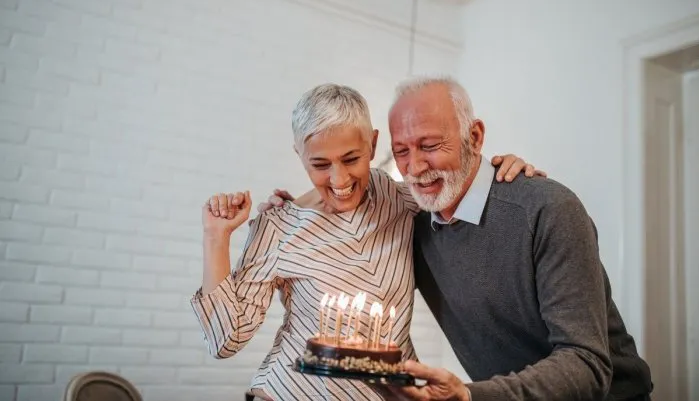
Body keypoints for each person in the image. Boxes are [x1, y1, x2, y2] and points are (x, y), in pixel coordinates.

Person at [264, 76, 653, 401]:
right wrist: (288, 210)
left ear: (476, 136)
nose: (415, 167)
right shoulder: (413, 225)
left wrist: (470, 396)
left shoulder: (546, 209)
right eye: (401, 151)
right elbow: (345, 206)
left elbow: (587, 365)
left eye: (430, 146)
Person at [190, 83, 538, 401]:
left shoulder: (399, 197)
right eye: (320, 164)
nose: (339, 178)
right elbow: (225, 340)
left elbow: (456, 191)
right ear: (299, 154)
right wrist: (215, 237)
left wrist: (499, 173)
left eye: (351, 159)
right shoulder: (279, 225)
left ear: (372, 144)